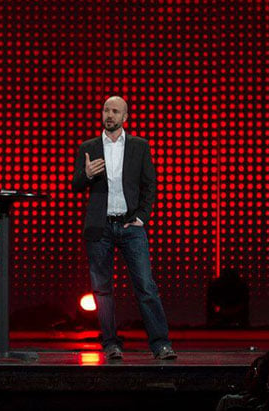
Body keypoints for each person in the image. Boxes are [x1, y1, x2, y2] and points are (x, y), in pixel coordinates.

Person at [71, 96, 175, 361]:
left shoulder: (139, 146)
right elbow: (77, 184)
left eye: (115, 111)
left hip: (130, 226)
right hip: (100, 227)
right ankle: (111, 344)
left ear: (125, 117)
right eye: (106, 110)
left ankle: (161, 344)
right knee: (102, 289)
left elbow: (149, 184)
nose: (109, 115)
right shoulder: (89, 146)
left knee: (145, 285)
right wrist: (87, 174)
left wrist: (141, 217)